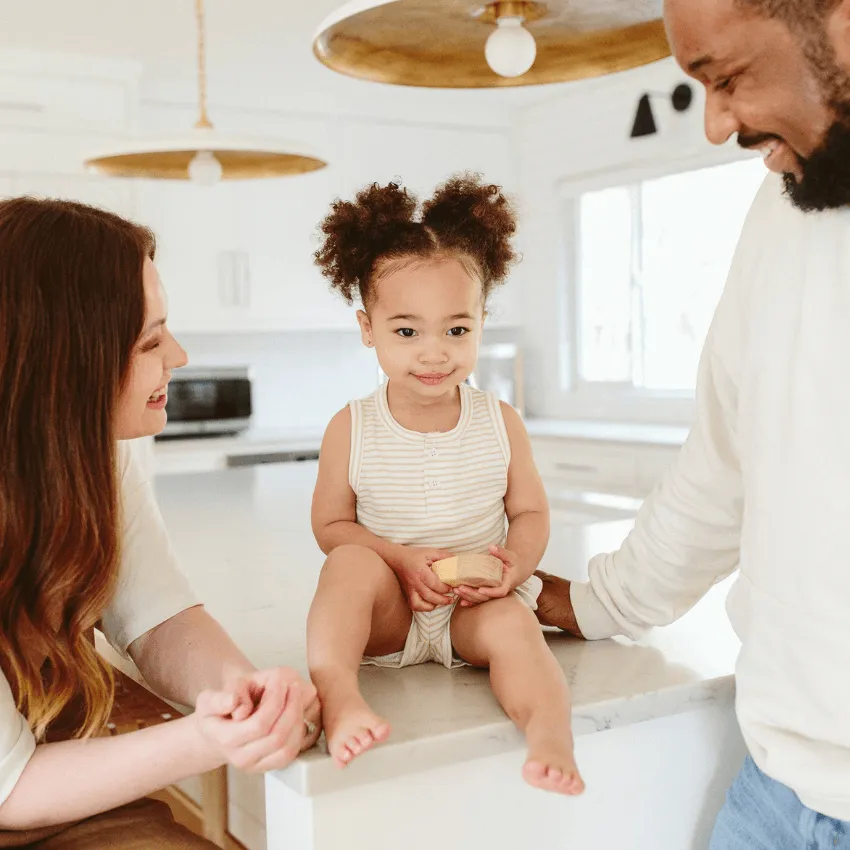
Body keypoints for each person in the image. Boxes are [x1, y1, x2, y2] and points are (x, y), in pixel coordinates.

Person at [535, 0, 850, 845]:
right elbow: (723, 467)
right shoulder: (784, 207)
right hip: (777, 791)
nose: (714, 124)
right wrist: (598, 601)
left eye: (728, 78)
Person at [0, 197, 321, 848]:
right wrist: (204, 738)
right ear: (69, 361)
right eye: (150, 340)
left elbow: (159, 617)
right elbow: (12, 788)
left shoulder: (98, 459)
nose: (177, 355)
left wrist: (243, 695)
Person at [306, 175, 584, 796]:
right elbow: (330, 527)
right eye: (407, 332)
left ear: (482, 322)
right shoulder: (350, 427)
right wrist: (399, 561)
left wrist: (518, 565)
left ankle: (548, 730)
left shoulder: (500, 421)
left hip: (470, 609)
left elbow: (531, 511)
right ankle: (339, 696)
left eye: (456, 330)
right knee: (349, 563)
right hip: (392, 608)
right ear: (367, 328)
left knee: (517, 629)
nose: (434, 353)